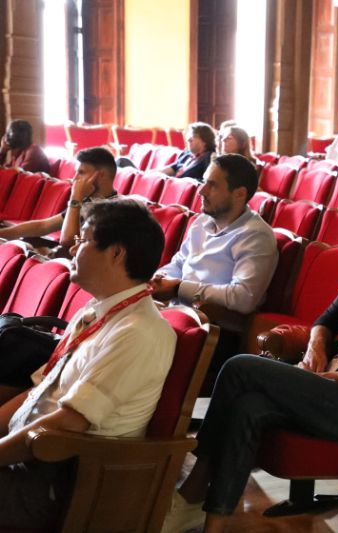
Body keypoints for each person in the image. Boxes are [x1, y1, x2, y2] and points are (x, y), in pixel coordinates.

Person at [162, 173, 338, 533]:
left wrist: (323, 376)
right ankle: (212, 521)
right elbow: (326, 319)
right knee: (248, 406)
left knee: (240, 366)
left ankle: (197, 482)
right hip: (334, 384)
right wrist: (316, 344)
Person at [0, 200, 176, 529]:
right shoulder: (96, 311)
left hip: (63, 483)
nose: (72, 247)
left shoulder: (138, 332)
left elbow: (68, 424)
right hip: (26, 458)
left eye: (82, 240)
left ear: (116, 253)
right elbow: (39, 392)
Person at [151, 153, 277, 371]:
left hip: (215, 328)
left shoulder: (255, 235)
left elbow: (243, 297)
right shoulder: (202, 222)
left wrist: (179, 288)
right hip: (178, 313)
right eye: (203, 182)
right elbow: (179, 263)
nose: (201, 191)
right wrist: (157, 279)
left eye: (212, 185)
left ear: (239, 194)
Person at [0, 147, 118, 248]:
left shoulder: (114, 211)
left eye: (81, 172)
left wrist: (75, 199)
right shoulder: (89, 201)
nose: (75, 178)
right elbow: (43, 226)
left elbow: (69, 240)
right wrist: (2, 233)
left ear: (101, 175)